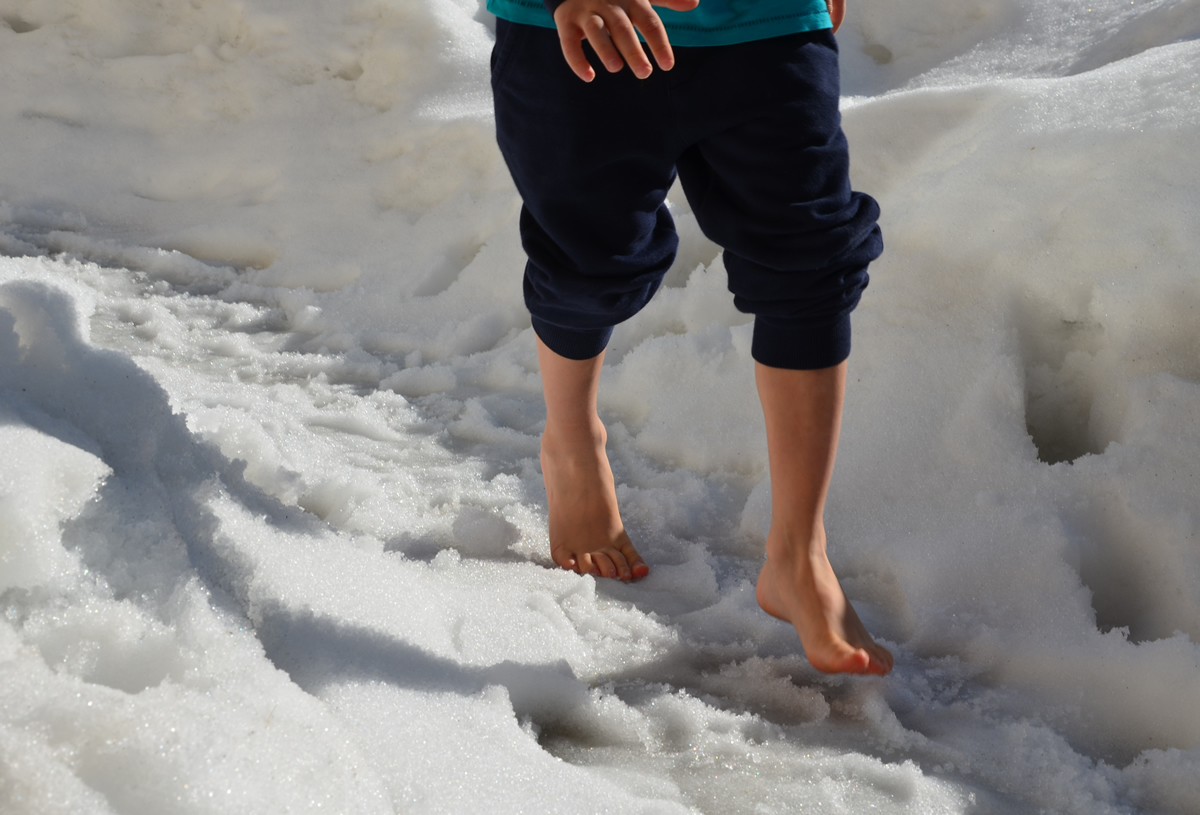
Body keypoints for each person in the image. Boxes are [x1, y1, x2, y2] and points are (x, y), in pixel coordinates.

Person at [489, 0, 894, 675]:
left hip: (769, 22)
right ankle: (571, 440)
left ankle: (799, 553)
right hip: (584, 28)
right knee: (588, 264)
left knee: (812, 260)